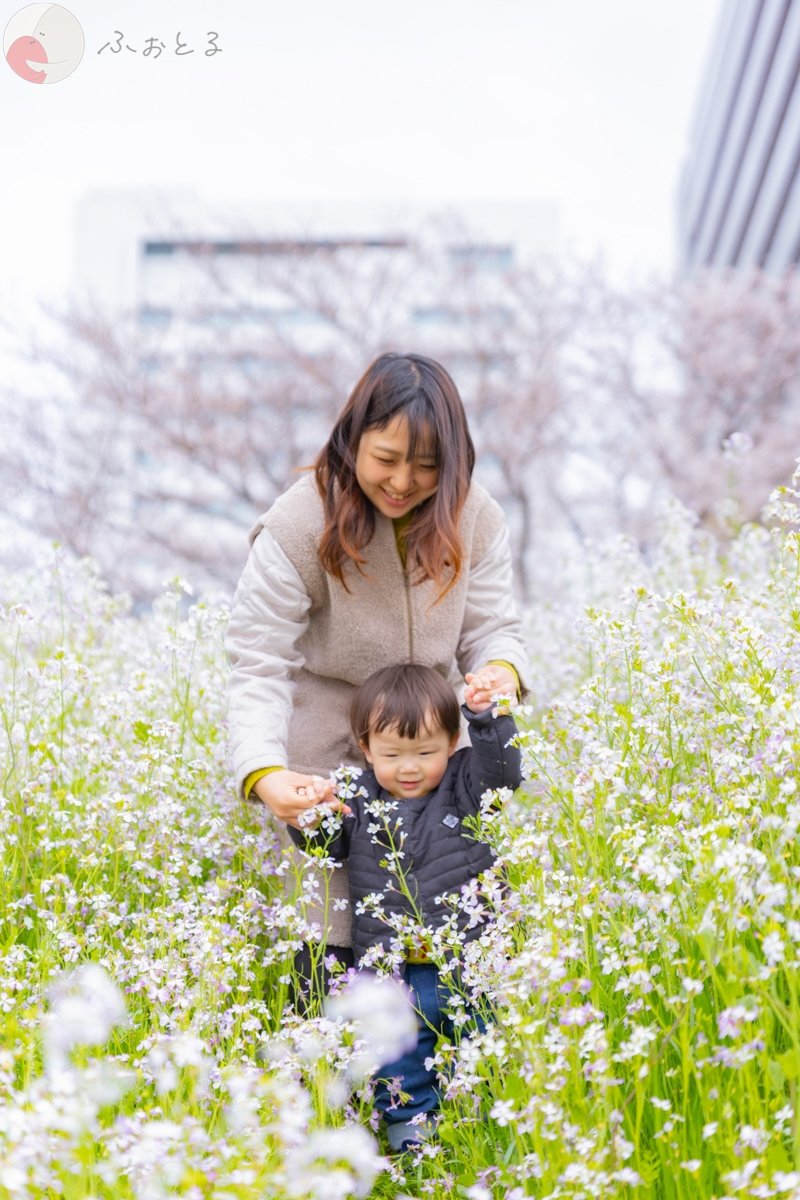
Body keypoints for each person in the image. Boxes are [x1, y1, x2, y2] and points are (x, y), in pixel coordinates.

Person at [225, 351, 528, 999]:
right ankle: (332, 1100)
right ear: (350, 438)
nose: (403, 482)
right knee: (329, 968)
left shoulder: (476, 515)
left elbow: (492, 627)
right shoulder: (299, 524)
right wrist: (264, 774)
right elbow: (258, 662)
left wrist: (499, 671)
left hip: (437, 769)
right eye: (386, 459)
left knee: (455, 965)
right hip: (328, 771)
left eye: (427, 467)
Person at [287, 662, 523, 1153]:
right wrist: (311, 816)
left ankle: (483, 1116)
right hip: (393, 969)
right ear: (366, 747)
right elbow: (326, 846)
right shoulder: (355, 794)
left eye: (426, 752)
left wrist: (487, 718)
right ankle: (411, 1128)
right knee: (399, 1053)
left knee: (481, 1036)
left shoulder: (466, 785)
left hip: (467, 960)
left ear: (453, 742)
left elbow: (503, 771)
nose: (410, 767)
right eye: (392, 754)